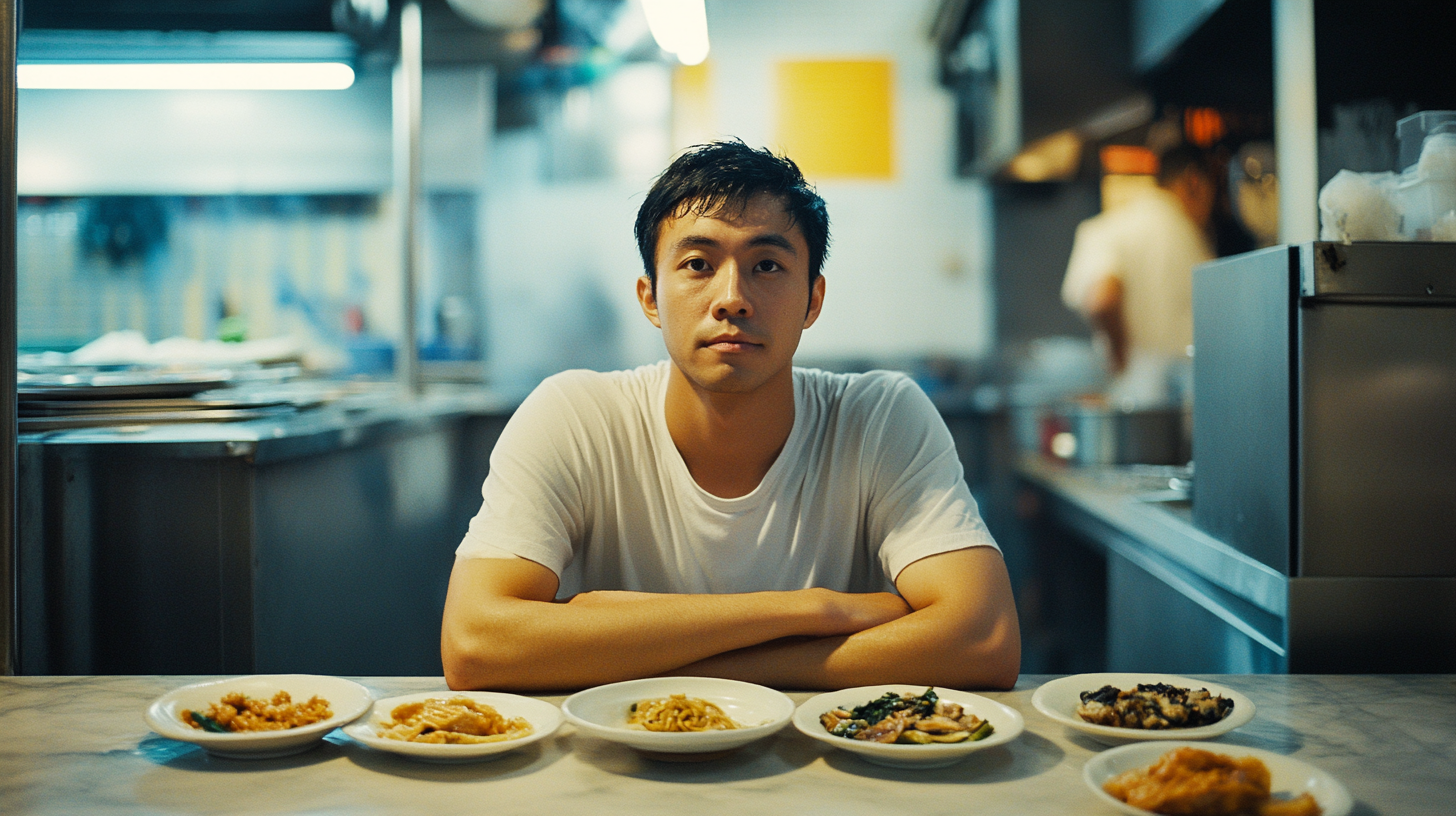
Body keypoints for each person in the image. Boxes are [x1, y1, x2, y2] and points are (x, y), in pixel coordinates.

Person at [441, 140, 1019, 693]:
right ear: (650, 298)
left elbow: (984, 638)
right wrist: (813, 608)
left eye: (767, 265)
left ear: (812, 300)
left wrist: (637, 641)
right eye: (697, 263)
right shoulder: (574, 416)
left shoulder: (879, 417)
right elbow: (474, 644)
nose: (732, 297)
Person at [1061, 145, 1215, 401]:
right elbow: (1102, 300)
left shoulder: (1110, 229)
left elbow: (1102, 300)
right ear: (1194, 180)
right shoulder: (1192, 242)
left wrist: (1118, 356)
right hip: (1193, 398)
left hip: (1139, 402)